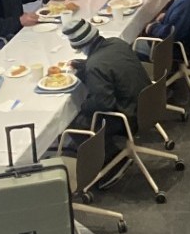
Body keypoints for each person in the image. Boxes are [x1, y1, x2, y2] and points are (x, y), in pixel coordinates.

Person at [64, 18, 152, 162]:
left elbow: (104, 104)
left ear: (78, 46)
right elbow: (110, 64)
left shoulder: (95, 65)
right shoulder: (117, 43)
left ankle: (110, 158)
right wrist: (85, 67)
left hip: (130, 115)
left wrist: (80, 107)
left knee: (74, 121)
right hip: (147, 101)